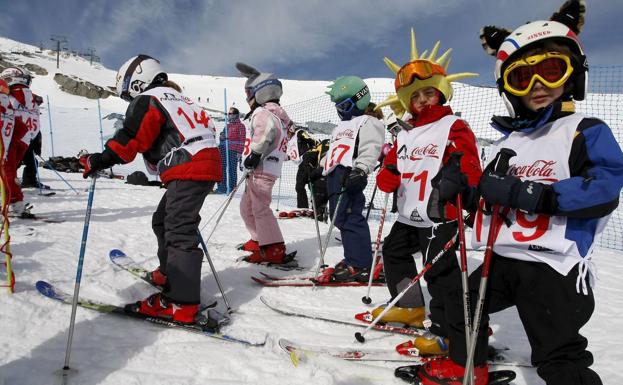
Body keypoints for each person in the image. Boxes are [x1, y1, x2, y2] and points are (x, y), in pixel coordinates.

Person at [416, 1, 623, 384]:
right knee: (461, 300)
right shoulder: (509, 141)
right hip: (504, 259)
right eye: (522, 78)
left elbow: (605, 188)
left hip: (555, 268)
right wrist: (463, 189)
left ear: (573, 74)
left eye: (550, 70)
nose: (538, 86)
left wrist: (535, 195)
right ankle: (468, 365)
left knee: (557, 355)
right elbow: (491, 192)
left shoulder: (584, 130)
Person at [79, 55, 222, 324]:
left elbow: (132, 137)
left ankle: (181, 303)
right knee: (163, 220)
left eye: (127, 93)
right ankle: (169, 273)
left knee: (179, 229)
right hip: (202, 162)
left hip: (188, 164)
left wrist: (101, 159)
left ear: (136, 81)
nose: (128, 99)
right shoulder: (181, 98)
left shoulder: (150, 98)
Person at [370, 30, 481, 356]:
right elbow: (391, 167)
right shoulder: (405, 132)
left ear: (441, 94)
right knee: (392, 254)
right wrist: (387, 177)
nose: (421, 102)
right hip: (408, 213)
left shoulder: (453, 126)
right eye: (415, 97)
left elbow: (470, 165)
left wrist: (460, 179)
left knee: (440, 274)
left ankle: (450, 332)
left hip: (439, 214)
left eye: (428, 94)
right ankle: (409, 306)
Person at [314, 76, 385, 283]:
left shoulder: (368, 121)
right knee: (339, 218)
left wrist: (361, 170)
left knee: (351, 216)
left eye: (344, 105)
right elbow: (335, 151)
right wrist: (319, 168)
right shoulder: (341, 127)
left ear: (360, 100)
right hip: (335, 176)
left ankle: (361, 263)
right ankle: (353, 256)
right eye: (338, 106)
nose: (340, 110)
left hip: (350, 175)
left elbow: (371, 147)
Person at [235, 62, 291, 264]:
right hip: (263, 169)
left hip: (262, 168)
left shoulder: (263, 113)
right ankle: (259, 239)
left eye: (249, 92)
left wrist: (255, 155)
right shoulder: (277, 115)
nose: (247, 97)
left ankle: (273, 247)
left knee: (259, 208)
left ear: (261, 92)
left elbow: (265, 134)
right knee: (246, 207)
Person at [0, 67, 42, 217]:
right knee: (9, 172)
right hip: (24, 139)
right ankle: (15, 202)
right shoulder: (31, 98)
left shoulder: (10, 96)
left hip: (8, 140)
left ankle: (12, 203)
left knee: (6, 172)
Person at [285, 124, 321, 209]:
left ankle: (318, 210)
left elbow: (313, 141)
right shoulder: (290, 142)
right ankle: (303, 208)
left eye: (287, 132)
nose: (286, 135)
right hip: (302, 164)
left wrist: (312, 153)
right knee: (299, 186)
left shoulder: (299, 133)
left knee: (311, 186)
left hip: (310, 161)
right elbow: (293, 155)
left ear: (291, 130)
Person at [215, 107, 246, 194]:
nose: (229, 115)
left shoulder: (241, 126)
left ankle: (232, 188)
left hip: (233, 150)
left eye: (231, 114)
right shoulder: (227, 125)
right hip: (224, 149)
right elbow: (222, 138)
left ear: (235, 115)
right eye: (228, 114)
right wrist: (222, 137)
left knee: (232, 170)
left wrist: (240, 152)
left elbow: (242, 140)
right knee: (222, 168)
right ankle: (222, 187)